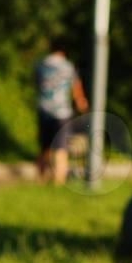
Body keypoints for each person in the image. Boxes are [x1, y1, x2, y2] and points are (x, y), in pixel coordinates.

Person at [33, 39, 87, 185]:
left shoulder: (40, 65)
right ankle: (58, 182)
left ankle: (41, 179)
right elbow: (76, 88)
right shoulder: (68, 67)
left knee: (44, 147)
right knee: (61, 148)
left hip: (43, 109)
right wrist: (82, 104)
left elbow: (37, 85)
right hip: (62, 112)